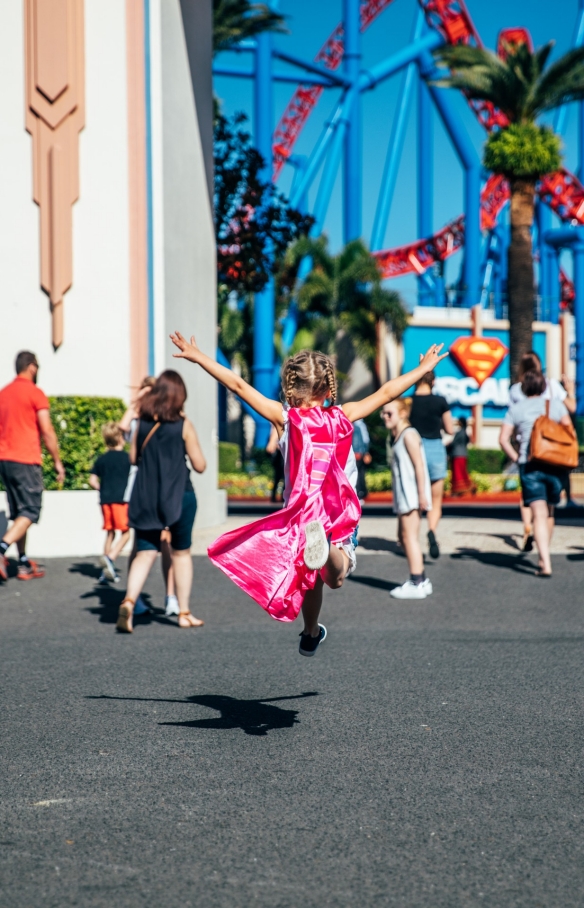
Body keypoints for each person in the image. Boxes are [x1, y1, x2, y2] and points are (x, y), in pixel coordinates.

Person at [170, 330, 447, 657]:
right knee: (337, 576)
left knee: (312, 579)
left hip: (301, 516)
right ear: (328, 387)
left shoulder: (284, 419)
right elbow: (387, 393)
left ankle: (311, 629)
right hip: (338, 514)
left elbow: (238, 386)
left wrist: (199, 356)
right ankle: (325, 560)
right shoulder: (343, 416)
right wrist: (421, 370)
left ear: (290, 388)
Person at [116, 370, 206, 633]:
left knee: (144, 553)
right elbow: (200, 465)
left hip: (146, 496)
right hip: (180, 495)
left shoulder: (142, 422)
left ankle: (129, 602)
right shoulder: (182, 423)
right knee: (181, 553)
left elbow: (133, 457)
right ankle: (184, 612)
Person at [499, 370, 571, 577]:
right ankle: (544, 554)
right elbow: (568, 431)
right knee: (549, 513)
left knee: (537, 514)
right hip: (554, 464)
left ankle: (544, 561)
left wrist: (517, 457)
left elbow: (503, 439)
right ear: (543, 387)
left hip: (529, 465)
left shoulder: (516, 409)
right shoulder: (555, 405)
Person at [0, 351, 64, 581]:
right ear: (32, 367)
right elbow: (47, 430)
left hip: (5, 462)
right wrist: (57, 462)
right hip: (25, 460)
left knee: (18, 514)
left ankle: (24, 563)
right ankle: (1, 549)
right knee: (30, 511)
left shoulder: (3, 394)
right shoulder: (35, 393)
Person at [118, 377, 178, 616]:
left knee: (163, 541)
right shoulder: (139, 415)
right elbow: (123, 429)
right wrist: (136, 402)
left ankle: (167, 595)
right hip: (147, 483)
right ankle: (140, 596)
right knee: (143, 542)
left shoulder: (163, 415)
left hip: (147, 483)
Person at [510, 352, 577, 548]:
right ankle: (543, 550)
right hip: (551, 451)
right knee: (548, 508)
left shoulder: (515, 389)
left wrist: (516, 449)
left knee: (527, 498)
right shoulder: (552, 386)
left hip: (527, 452)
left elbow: (512, 425)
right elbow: (571, 408)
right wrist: (570, 390)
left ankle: (527, 528)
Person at [382, 398, 433, 599]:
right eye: (384, 413)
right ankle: (422, 579)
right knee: (403, 538)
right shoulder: (398, 435)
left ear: (402, 413)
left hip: (412, 495)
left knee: (410, 538)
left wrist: (421, 495)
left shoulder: (409, 435)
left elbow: (420, 466)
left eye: (389, 413)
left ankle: (417, 581)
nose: (385, 417)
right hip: (405, 495)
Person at [409, 371, 453, 560]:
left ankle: (412, 540)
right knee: (436, 500)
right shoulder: (440, 401)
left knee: (415, 498)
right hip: (435, 447)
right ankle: (432, 530)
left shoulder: (408, 402)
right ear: (433, 381)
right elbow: (450, 429)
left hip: (413, 448)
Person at [89, 422, 131, 583]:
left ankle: (105, 572)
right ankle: (110, 559)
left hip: (105, 500)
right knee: (126, 534)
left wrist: (102, 488)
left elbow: (92, 480)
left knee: (110, 533)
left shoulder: (102, 459)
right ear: (120, 439)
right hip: (120, 500)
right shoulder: (127, 458)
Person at [448, 416, 474, 496]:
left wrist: (447, 447)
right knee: (463, 472)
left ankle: (458, 490)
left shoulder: (459, 433)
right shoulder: (466, 433)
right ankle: (469, 487)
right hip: (464, 454)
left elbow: (453, 443)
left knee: (457, 473)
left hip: (457, 455)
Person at [352, 418, 372, 500]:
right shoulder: (361, 425)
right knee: (360, 472)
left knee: (357, 473)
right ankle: (361, 492)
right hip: (360, 452)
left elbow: (359, 440)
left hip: (357, 453)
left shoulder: (356, 426)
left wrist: (357, 451)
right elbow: (366, 440)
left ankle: (360, 492)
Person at [266, 425, 285, 503]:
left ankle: (277, 497)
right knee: (281, 476)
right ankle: (278, 497)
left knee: (279, 477)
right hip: (280, 454)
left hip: (280, 454)